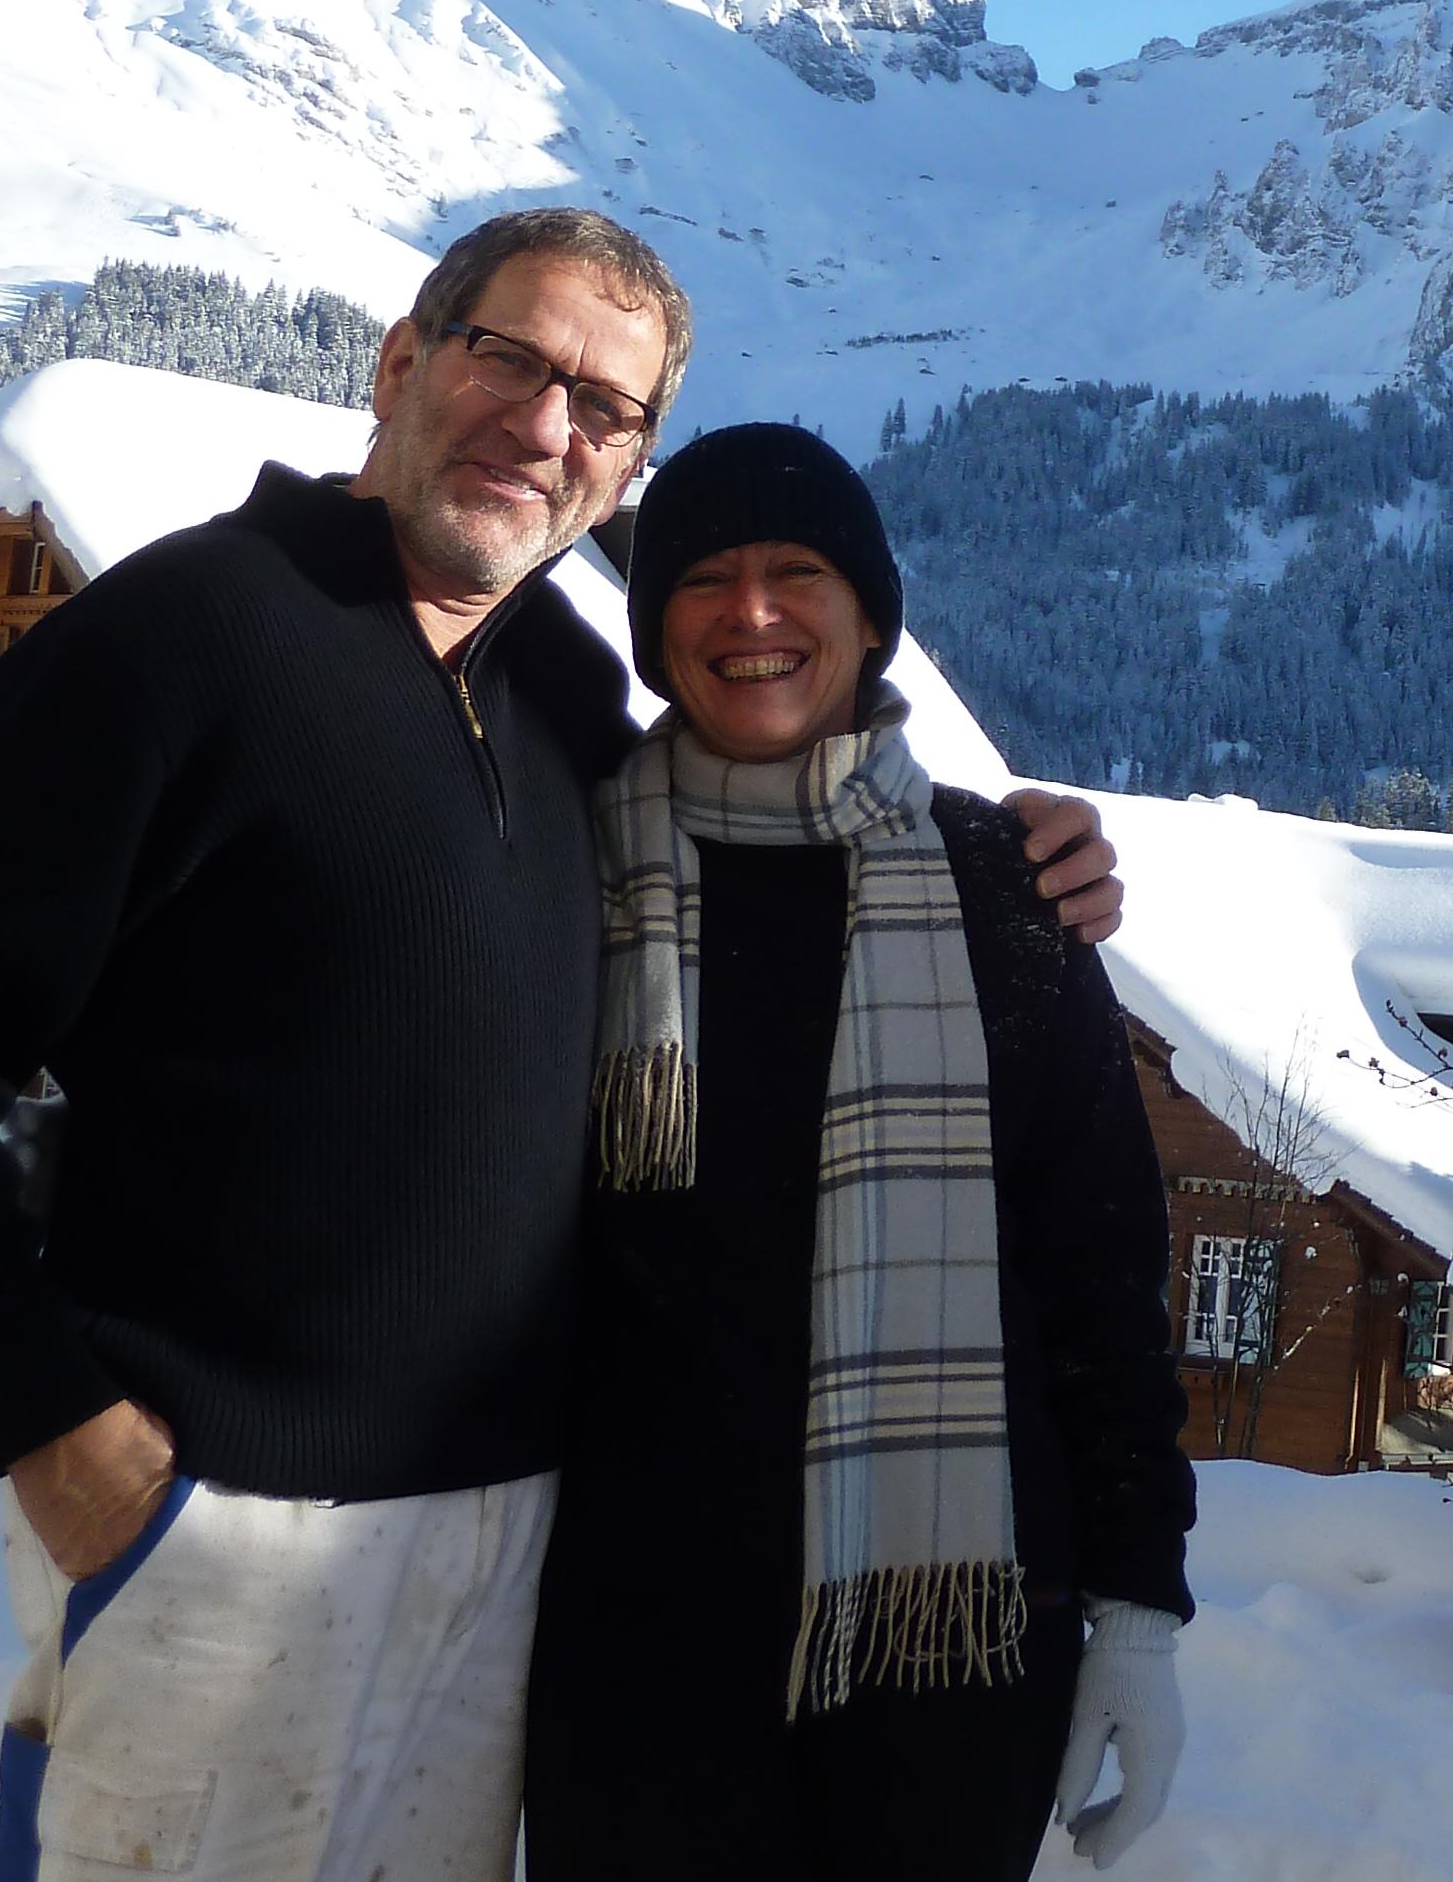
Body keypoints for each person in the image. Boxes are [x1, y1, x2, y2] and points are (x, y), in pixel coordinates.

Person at [0, 209, 1120, 1882]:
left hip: (513, 1549)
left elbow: (778, 817)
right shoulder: (176, 640)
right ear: (402, 362)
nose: (546, 424)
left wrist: (1014, 850)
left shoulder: (563, 694)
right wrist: (48, 1418)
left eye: (606, 406)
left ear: (625, 465)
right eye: (510, 358)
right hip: (217, 1525)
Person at [521, 425, 1190, 1878]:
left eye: (797, 572)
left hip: (950, 1651)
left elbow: (1099, 1270)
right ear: (654, 632)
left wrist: (1138, 1602)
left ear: (872, 614)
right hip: (634, 1644)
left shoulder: (1004, 886)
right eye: (705, 578)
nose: (751, 614)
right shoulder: (568, 870)